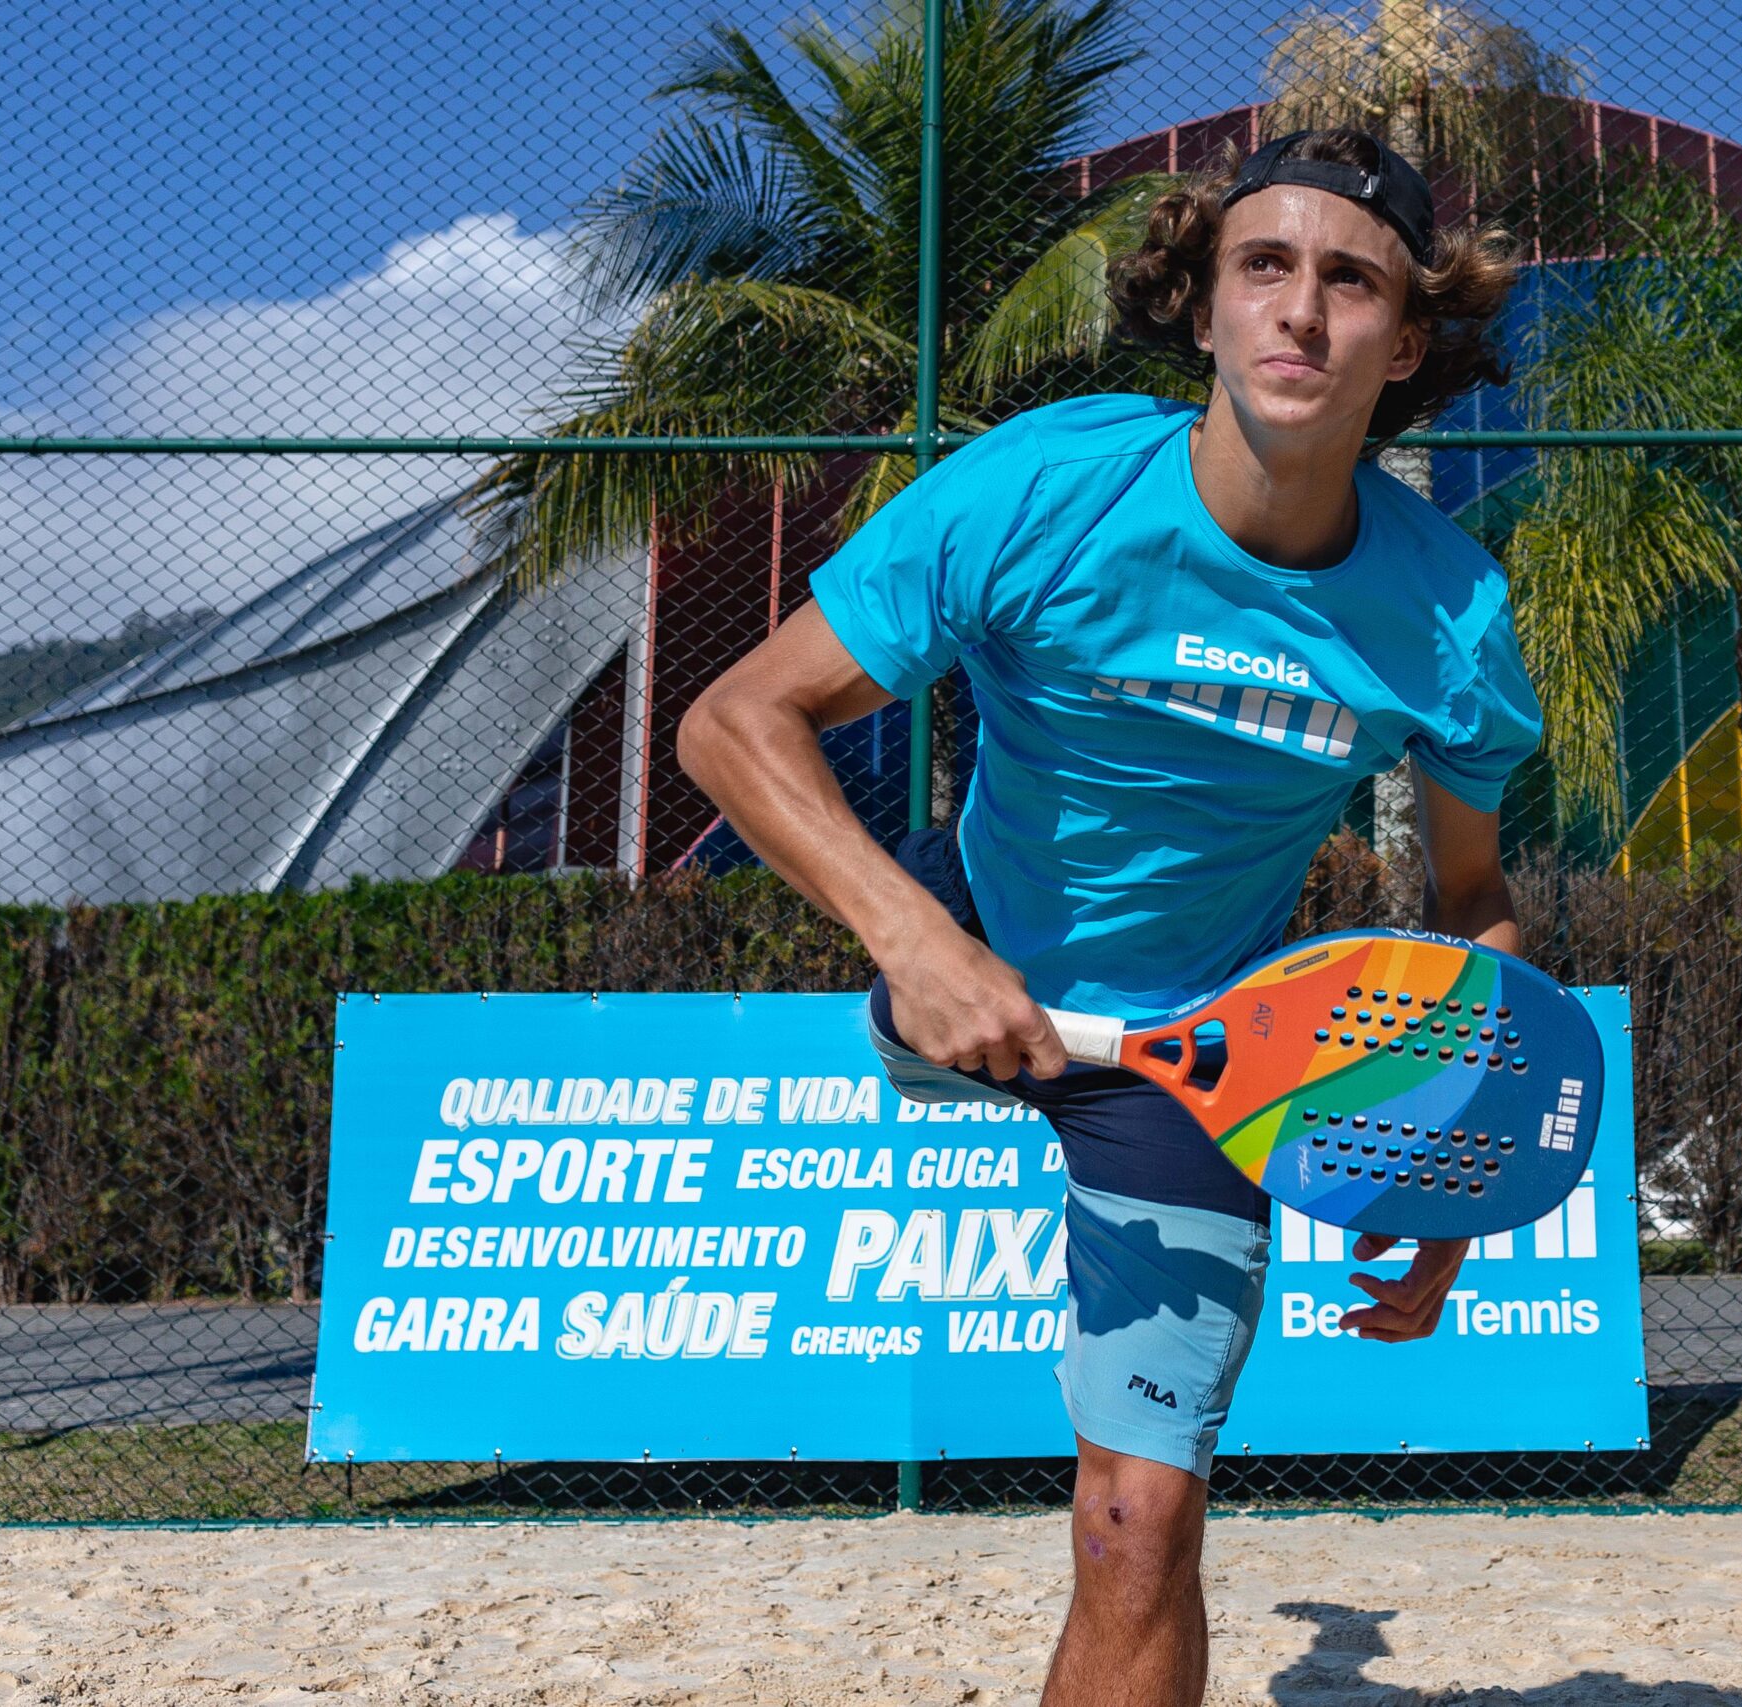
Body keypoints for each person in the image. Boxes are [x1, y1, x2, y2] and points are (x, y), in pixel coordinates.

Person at [677, 125, 1541, 1707]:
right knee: (911, 983)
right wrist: (917, 944)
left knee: (1139, 1525)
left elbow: (1475, 902)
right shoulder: (1042, 489)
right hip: (972, 944)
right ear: (1202, 304)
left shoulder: (1451, 618)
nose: (1300, 309)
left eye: (1349, 280)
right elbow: (734, 722)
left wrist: (1444, 1151)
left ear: (1404, 340)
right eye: (1262, 265)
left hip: (1203, 1056)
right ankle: (921, 1008)